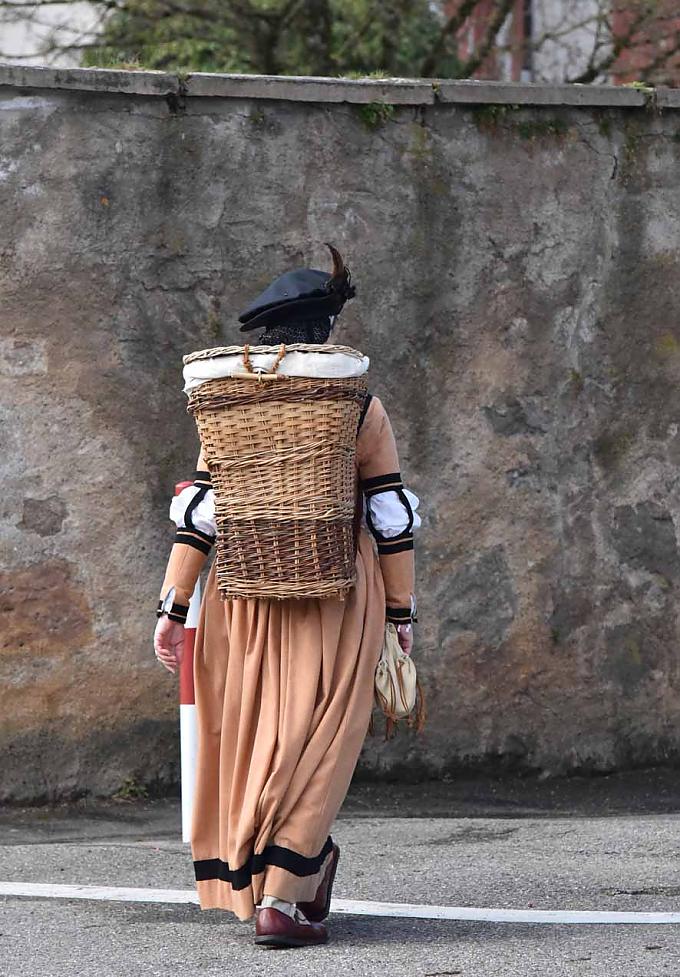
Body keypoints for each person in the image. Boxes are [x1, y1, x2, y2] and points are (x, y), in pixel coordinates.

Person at [153, 245, 420, 948]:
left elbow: (202, 513)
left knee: (259, 737)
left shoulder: (229, 410)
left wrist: (174, 605)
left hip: (243, 594)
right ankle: (286, 894)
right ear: (325, 333)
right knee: (320, 740)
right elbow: (390, 517)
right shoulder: (359, 408)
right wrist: (401, 613)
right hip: (337, 595)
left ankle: (273, 880)